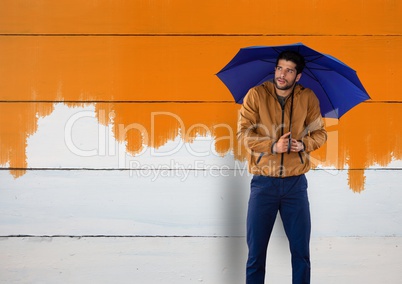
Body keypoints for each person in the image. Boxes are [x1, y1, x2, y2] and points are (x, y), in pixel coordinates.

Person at [237, 50, 327, 284]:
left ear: (298, 76)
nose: (282, 74)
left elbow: (320, 133)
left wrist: (303, 144)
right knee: (256, 254)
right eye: (279, 68)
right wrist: (272, 146)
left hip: (295, 186)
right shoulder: (255, 95)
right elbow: (243, 135)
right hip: (263, 184)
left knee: (301, 253)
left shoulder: (308, 98)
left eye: (288, 70)